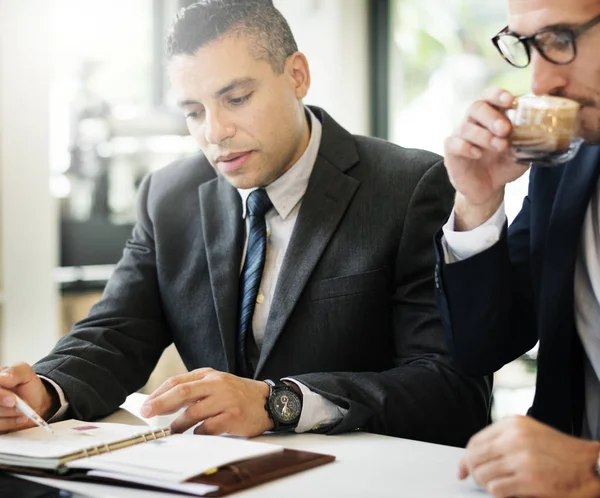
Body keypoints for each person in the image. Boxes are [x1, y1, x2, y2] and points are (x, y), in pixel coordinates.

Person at [0, 0, 489, 447]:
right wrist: (43, 389)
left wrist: (279, 402)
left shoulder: (410, 185)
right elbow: (115, 333)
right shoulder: (167, 196)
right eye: (194, 112)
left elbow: (448, 385)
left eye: (235, 99)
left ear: (297, 75)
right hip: (216, 475)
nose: (215, 133)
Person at [436, 0, 600, 495]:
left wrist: (590, 469)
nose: (540, 84)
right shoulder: (566, 157)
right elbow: (483, 347)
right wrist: (478, 199)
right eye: (529, 47)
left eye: (559, 41)